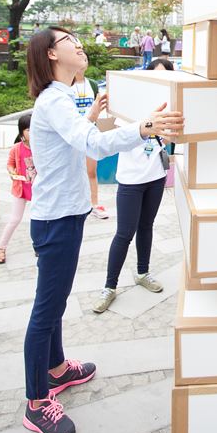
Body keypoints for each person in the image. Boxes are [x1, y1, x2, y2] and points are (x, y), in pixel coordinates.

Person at [22, 27, 184, 433]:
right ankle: (37, 403)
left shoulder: (60, 100)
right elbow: (92, 146)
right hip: (57, 219)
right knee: (46, 311)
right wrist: (144, 128)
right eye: (69, 41)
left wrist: (91, 114)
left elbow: (75, 138)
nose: (79, 45)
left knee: (54, 302)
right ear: (51, 55)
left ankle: (57, 368)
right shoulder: (54, 99)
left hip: (64, 213)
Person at [92, 57, 175, 313]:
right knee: (124, 233)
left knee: (146, 227)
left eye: (165, 77)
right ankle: (109, 287)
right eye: (156, 75)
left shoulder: (169, 107)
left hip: (155, 177)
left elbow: (170, 138)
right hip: (130, 180)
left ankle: (143, 272)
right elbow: (113, 136)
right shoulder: (128, 104)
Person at [0, 113, 36, 263]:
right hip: (21, 188)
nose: (33, 132)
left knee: (37, 219)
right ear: (22, 133)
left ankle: (37, 245)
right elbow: (10, 164)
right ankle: (1, 248)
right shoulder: (16, 148)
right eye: (29, 130)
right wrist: (12, 172)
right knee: (15, 219)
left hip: (38, 189)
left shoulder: (42, 147)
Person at [71, 57, 108, 218]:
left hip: (89, 132)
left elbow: (98, 107)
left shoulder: (92, 84)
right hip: (72, 133)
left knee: (91, 171)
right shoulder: (66, 86)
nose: (82, 61)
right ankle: (76, 205)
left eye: (85, 59)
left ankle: (94, 204)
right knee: (73, 170)